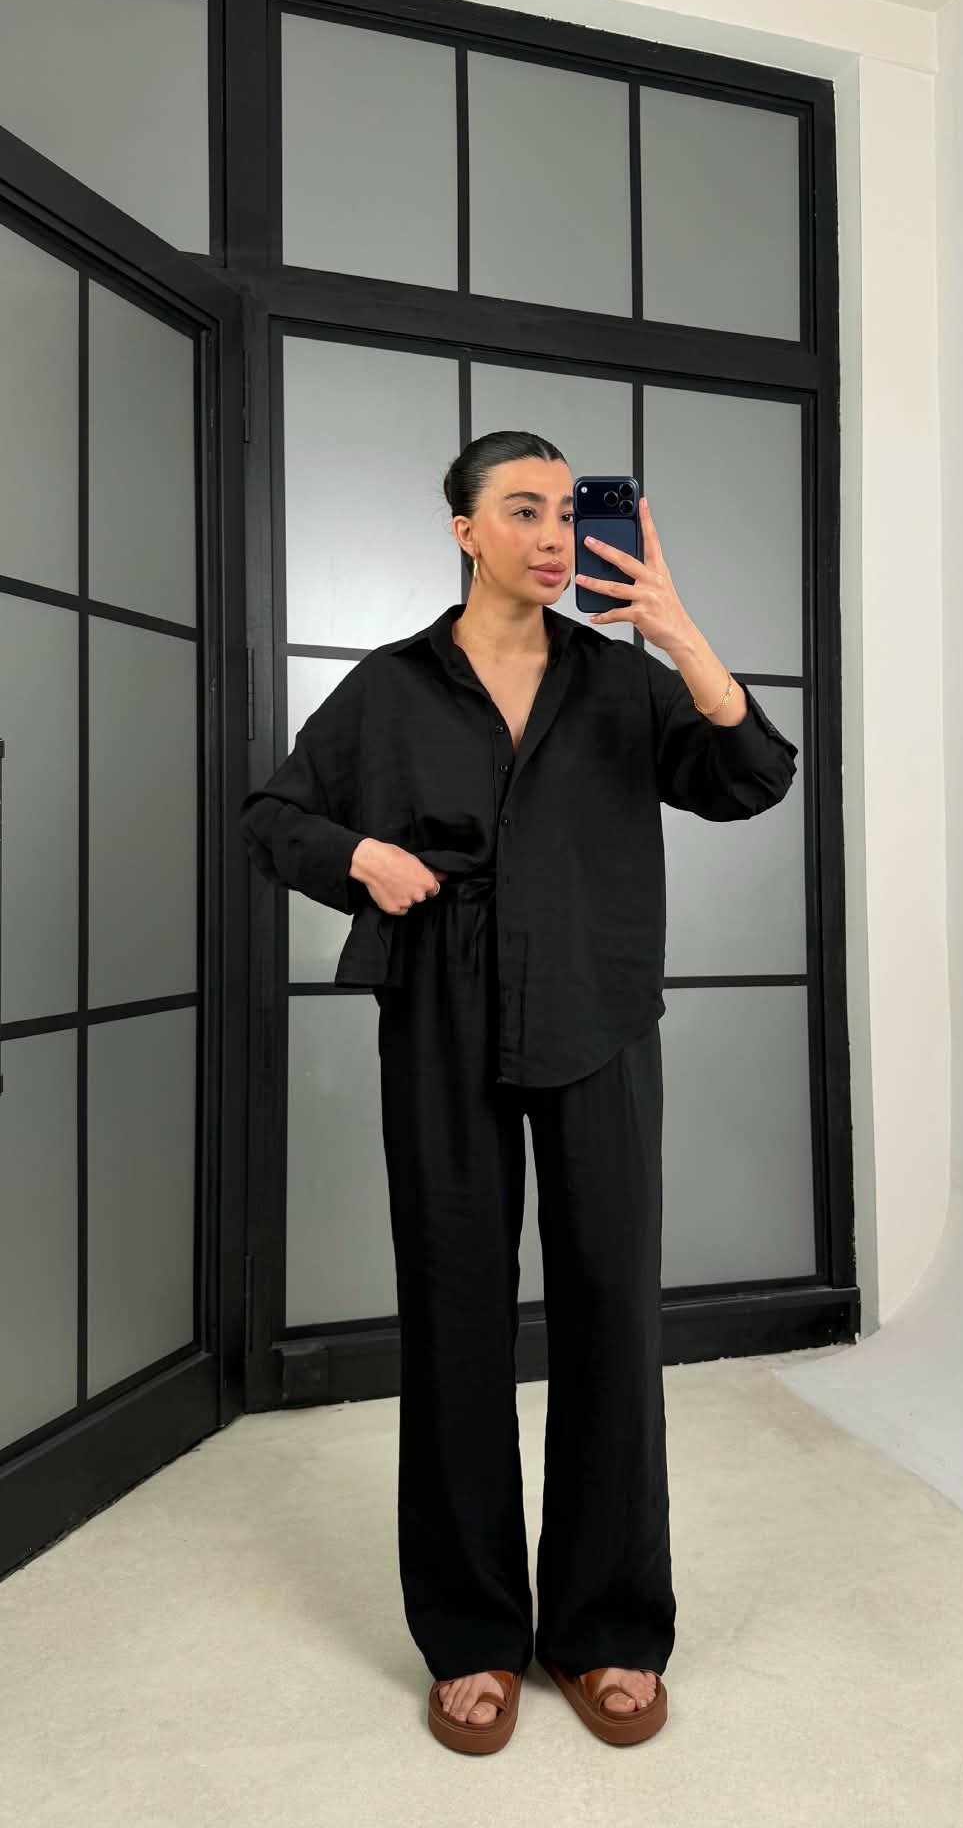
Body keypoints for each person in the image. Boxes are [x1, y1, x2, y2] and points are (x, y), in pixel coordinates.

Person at [238, 431, 798, 1753]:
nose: (553, 536)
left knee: (613, 1314)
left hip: (597, 1007)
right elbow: (273, 815)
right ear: (465, 531)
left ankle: (604, 1628)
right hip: (439, 1010)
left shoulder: (621, 680)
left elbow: (753, 778)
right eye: (524, 510)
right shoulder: (389, 688)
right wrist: (359, 856)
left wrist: (676, 630)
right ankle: (473, 1634)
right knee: (455, 1315)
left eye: (567, 513)